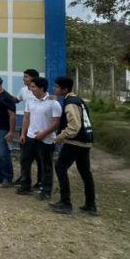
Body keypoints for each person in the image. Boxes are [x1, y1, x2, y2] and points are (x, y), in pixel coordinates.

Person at [50, 76, 97, 216]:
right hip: (85, 141)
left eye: (57, 87)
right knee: (85, 172)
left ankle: (66, 203)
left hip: (75, 142)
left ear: (64, 89)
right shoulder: (77, 99)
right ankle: (90, 205)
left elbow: (74, 126)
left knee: (60, 167)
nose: (54, 89)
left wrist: (60, 137)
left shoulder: (70, 103)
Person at [16, 76, 62, 200]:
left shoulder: (53, 103)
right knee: (25, 161)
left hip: (46, 140)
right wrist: (23, 134)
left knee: (45, 165)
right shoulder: (30, 101)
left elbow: (56, 123)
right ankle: (25, 185)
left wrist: (43, 134)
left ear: (42, 88)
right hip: (30, 137)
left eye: (33, 87)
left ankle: (45, 191)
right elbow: (26, 118)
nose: (31, 89)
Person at [13, 68, 38, 186]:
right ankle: (24, 177)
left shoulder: (39, 92)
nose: (24, 79)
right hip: (26, 127)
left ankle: (40, 181)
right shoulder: (23, 90)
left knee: (38, 156)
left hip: (37, 128)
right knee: (24, 156)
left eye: (26, 76)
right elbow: (16, 100)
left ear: (34, 78)